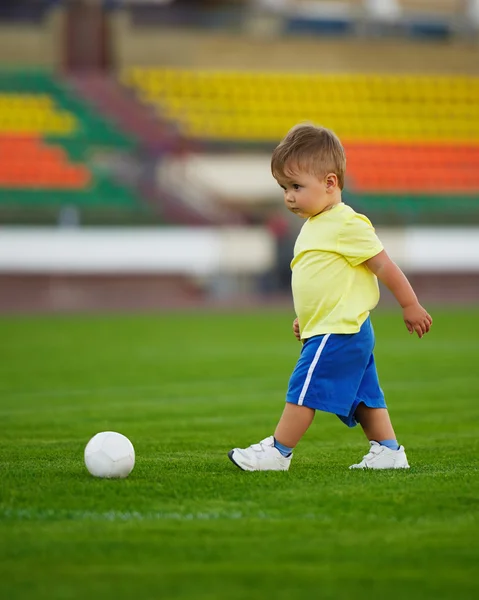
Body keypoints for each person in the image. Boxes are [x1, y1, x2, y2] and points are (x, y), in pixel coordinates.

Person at [228, 124, 432, 471]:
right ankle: (388, 451)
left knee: (304, 388)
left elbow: (383, 265)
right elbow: (324, 281)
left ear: (330, 183)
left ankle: (279, 451)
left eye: (296, 186)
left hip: (339, 330)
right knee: (364, 395)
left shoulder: (345, 223)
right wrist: (306, 319)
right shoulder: (315, 225)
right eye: (283, 188)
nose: (289, 196)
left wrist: (410, 304)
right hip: (337, 327)